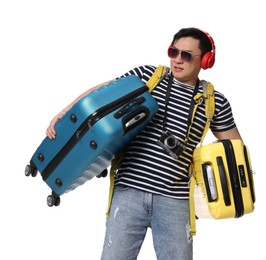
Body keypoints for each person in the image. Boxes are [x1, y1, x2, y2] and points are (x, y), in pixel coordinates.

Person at [46, 27, 242, 260]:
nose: (178, 59)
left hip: (175, 200)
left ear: (206, 60)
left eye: (187, 55)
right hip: (129, 193)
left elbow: (234, 150)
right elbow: (99, 93)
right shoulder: (147, 76)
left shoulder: (214, 102)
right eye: (173, 51)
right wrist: (66, 112)